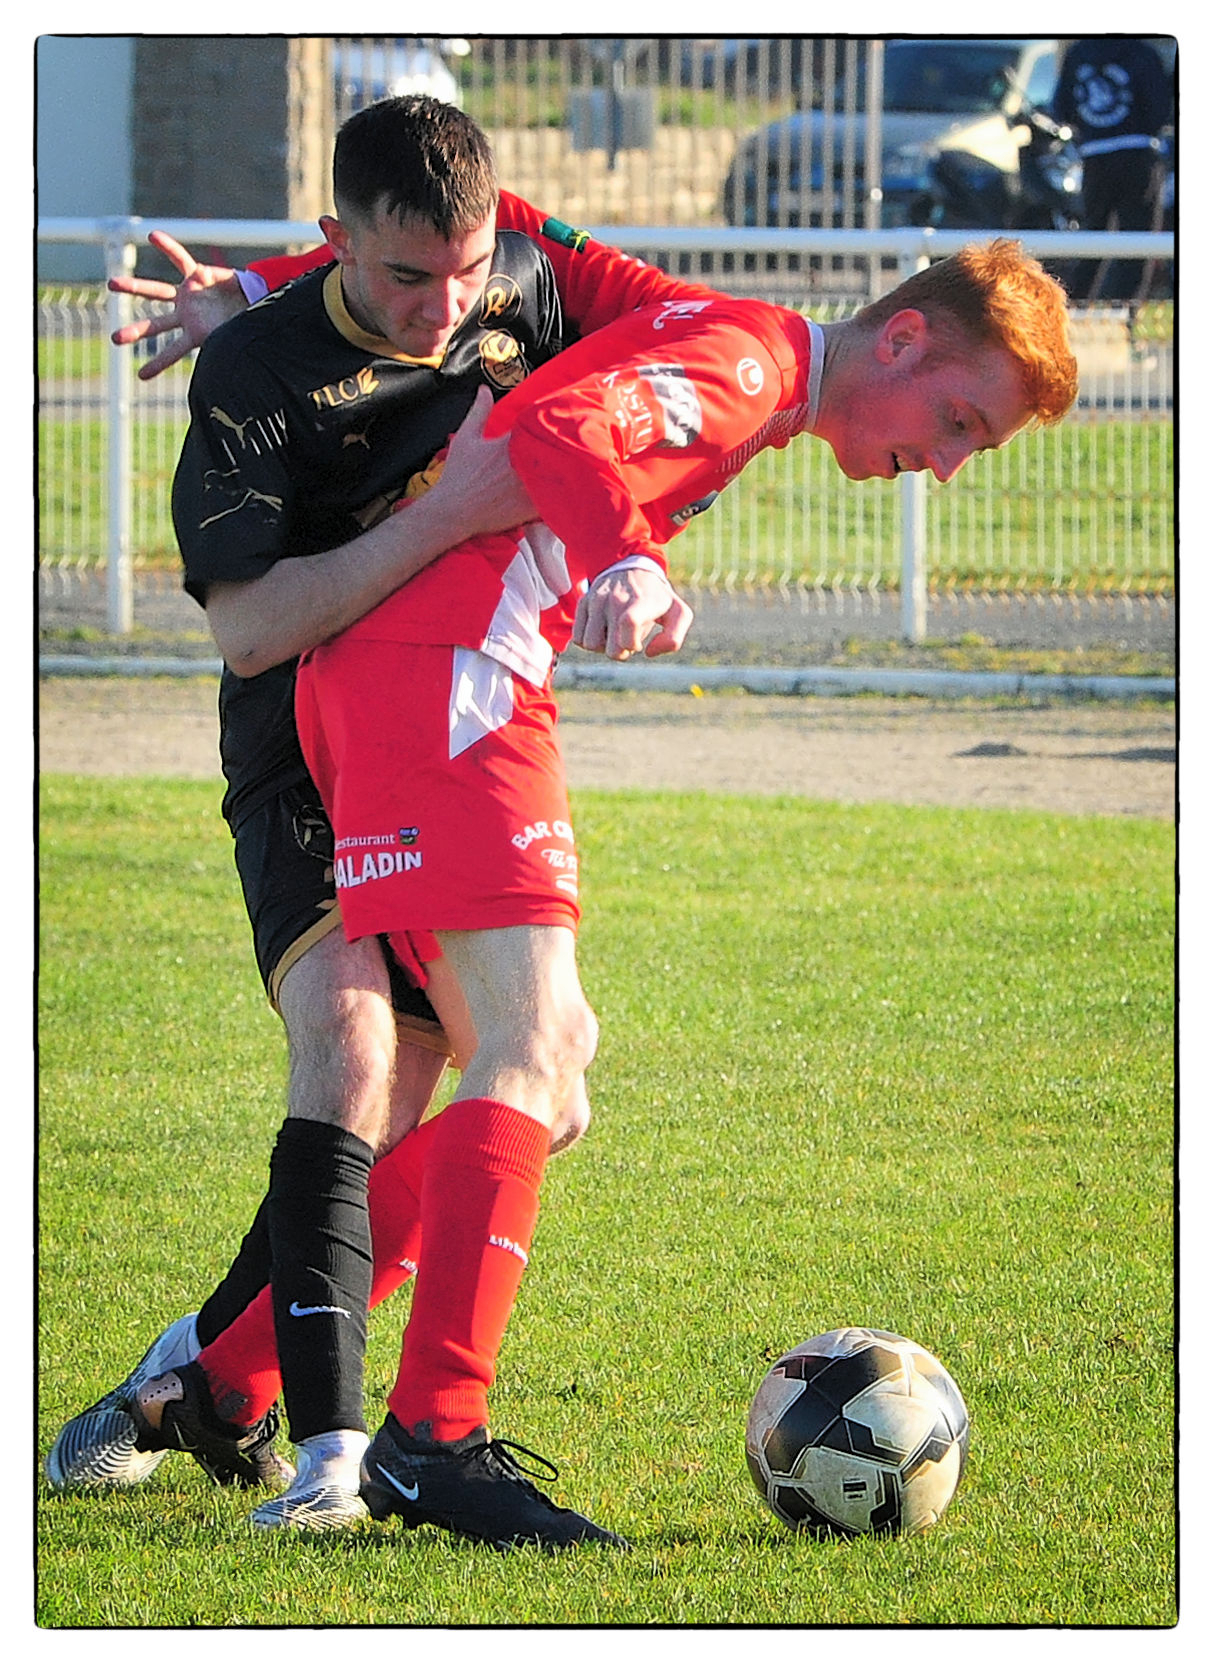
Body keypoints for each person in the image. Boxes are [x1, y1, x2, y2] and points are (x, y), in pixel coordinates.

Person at [282, 238, 1077, 1548]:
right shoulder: (749, 365)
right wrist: (625, 560)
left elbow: (508, 224)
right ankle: (432, 1436)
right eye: (955, 421)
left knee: (547, 1085)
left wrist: (262, 284)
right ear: (900, 341)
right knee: (535, 1049)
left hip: (410, 672)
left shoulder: (709, 319)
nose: (941, 464)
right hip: (452, 675)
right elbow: (566, 428)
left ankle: (221, 1374)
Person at [44, 96, 702, 1536]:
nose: (442, 308)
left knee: (528, 1090)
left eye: (465, 273)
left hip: (439, 729)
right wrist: (446, 512)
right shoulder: (256, 369)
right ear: (335, 239)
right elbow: (251, 629)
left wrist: (627, 548)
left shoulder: (520, 278)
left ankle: (204, 1378)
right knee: (351, 1051)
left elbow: (677, 354)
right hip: (296, 739)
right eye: (405, 276)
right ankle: (342, 1458)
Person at [1053, 37, 1174, 304]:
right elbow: (1160, 108)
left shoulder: (1078, 53)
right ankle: (1126, 308)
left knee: (1093, 235)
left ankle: (1077, 304)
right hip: (1139, 153)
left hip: (1095, 157)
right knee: (1138, 240)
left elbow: (1063, 108)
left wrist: (1093, 130)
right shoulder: (1142, 53)